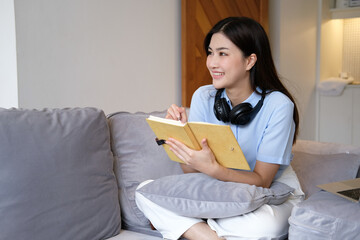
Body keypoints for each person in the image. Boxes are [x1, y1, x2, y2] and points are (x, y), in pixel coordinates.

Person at [135, 17, 304, 240]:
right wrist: (180, 137)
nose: (212, 63)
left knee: (266, 227)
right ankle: (211, 235)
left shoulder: (279, 105)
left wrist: (214, 169)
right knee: (143, 192)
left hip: (268, 192)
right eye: (210, 52)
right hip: (219, 191)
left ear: (249, 61)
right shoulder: (203, 97)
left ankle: (191, 226)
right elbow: (192, 172)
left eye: (223, 54)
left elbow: (262, 180)